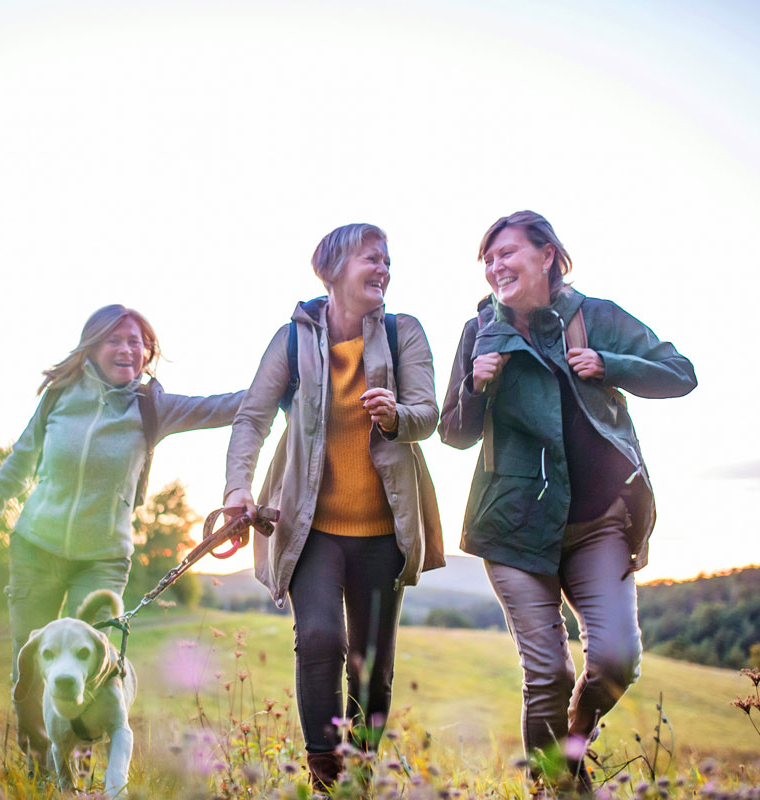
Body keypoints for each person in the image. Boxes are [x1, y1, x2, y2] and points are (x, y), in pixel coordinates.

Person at [438, 211, 697, 787]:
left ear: (548, 254)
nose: (495, 266)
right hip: (513, 529)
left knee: (613, 660)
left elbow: (680, 373)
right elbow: (453, 434)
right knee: (547, 674)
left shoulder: (596, 317)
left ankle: (572, 746)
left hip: (598, 527)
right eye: (488, 259)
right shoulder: (478, 330)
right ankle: (553, 788)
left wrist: (610, 365)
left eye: (506, 253)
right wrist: (473, 385)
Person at [0, 304, 242, 760]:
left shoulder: (152, 407)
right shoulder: (59, 395)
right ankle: (37, 760)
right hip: (36, 548)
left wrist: (288, 382)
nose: (127, 348)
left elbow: (224, 406)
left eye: (136, 342)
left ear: (147, 353)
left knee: (92, 658)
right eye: (115, 339)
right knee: (30, 662)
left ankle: (78, 749)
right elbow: (22, 459)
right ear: (93, 346)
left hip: (104, 557)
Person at [223, 223, 444, 791]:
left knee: (373, 667)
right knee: (320, 638)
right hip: (310, 527)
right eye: (372, 258)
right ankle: (327, 776)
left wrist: (397, 414)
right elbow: (252, 416)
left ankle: (362, 777)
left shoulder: (404, 333)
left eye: (388, 260)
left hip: (383, 529)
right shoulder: (292, 341)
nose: (384, 269)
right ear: (332, 269)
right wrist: (237, 488)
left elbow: (428, 413)